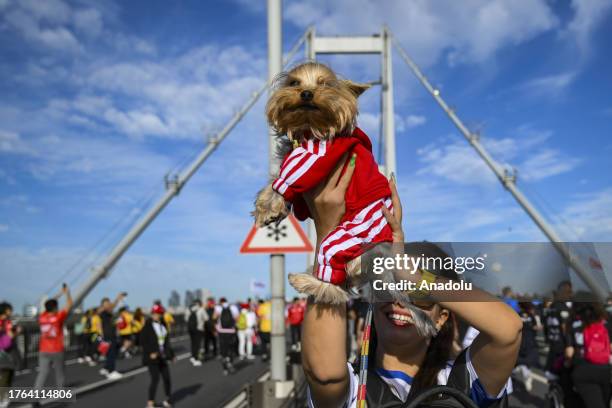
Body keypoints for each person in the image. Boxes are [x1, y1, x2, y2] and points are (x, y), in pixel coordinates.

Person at [300, 159, 522, 407]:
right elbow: (324, 376)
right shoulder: (353, 387)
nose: (399, 300)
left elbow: (508, 331)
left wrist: (413, 276)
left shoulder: (459, 381)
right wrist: (331, 239)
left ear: (441, 319)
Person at [565, 302, 611, 408]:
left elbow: (569, 352)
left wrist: (567, 363)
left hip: (583, 370)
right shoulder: (607, 322)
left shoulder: (572, 323)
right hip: (605, 370)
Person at [34, 284, 72, 389]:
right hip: (57, 349)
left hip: (43, 350)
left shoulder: (42, 317)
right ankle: (60, 392)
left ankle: (35, 397)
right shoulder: (59, 316)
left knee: (42, 373)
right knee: (60, 372)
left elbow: (49, 303)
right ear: (55, 308)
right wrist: (67, 293)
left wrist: (59, 293)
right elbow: (69, 304)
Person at [141, 303, 174, 408]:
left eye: (158, 313)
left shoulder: (163, 325)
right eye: (154, 313)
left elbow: (166, 342)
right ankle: (150, 403)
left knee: (167, 378)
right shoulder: (147, 326)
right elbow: (143, 341)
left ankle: (168, 400)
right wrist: (150, 353)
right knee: (155, 378)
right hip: (152, 358)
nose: (156, 315)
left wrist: (171, 355)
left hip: (162, 356)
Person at [97, 292, 126, 379]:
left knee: (110, 353)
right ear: (102, 305)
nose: (109, 305)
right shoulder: (102, 312)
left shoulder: (109, 313)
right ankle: (111, 372)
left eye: (108, 303)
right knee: (111, 353)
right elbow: (110, 307)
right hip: (108, 336)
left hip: (111, 335)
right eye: (106, 303)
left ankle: (106, 368)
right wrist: (117, 298)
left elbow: (112, 308)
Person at [1, 302, 21, 408]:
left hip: (5, 351)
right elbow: (9, 337)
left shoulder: (5, 322)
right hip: (5, 352)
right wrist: (16, 331)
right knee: (6, 374)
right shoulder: (5, 322)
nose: (11, 311)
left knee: (7, 374)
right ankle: (2, 399)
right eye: (10, 309)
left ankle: (4, 397)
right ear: (5, 310)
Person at [214, 298, 239, 375]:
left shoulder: (218, 308)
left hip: (221, 331)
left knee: (223, 350)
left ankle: (225, 369)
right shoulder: (233, 307)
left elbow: (214, 317)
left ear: (220, 302)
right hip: (231, 331)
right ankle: (230, 361)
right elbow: (237, 318)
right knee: (231, 348)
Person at [186, 300, 208, 366]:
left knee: (193, 343)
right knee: (197, 344)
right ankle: (196, 359)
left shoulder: (188, 309)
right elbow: (206, 318)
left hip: (190, 329)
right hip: (199, 329)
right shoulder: (201, 309)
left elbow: (186, 319)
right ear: (200, 303)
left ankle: (193, 357)